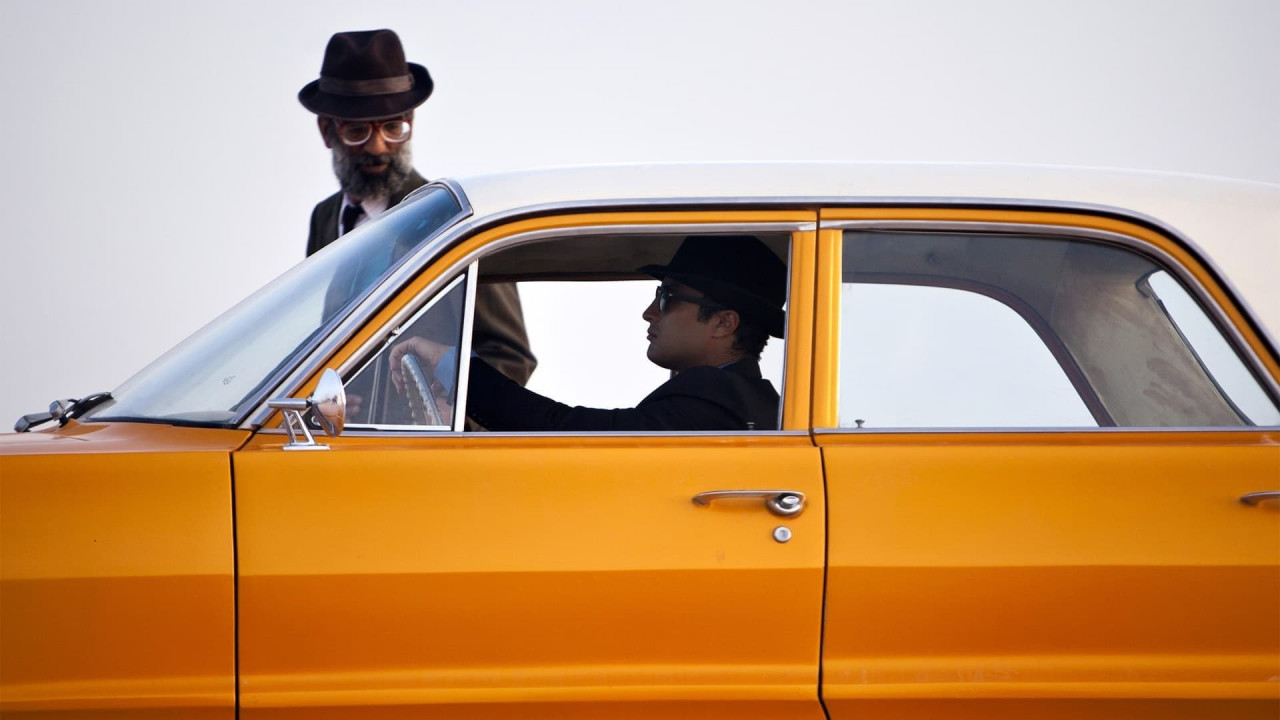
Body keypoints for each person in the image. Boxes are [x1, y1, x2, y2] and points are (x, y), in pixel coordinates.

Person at [298, 28, 536, 386]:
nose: (378, 147)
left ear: (410, 121)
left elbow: (510, 357)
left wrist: (442, 409)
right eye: (358, 131)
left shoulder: (454, 217)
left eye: (393, 127)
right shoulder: (325, 217)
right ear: (326, 131)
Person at [390, 235, 787, 431]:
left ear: (723, 323)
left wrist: (457, 367)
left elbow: (569, 431)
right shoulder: (742, 398)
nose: (649, 313)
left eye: (667, 298)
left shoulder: (713, 397)